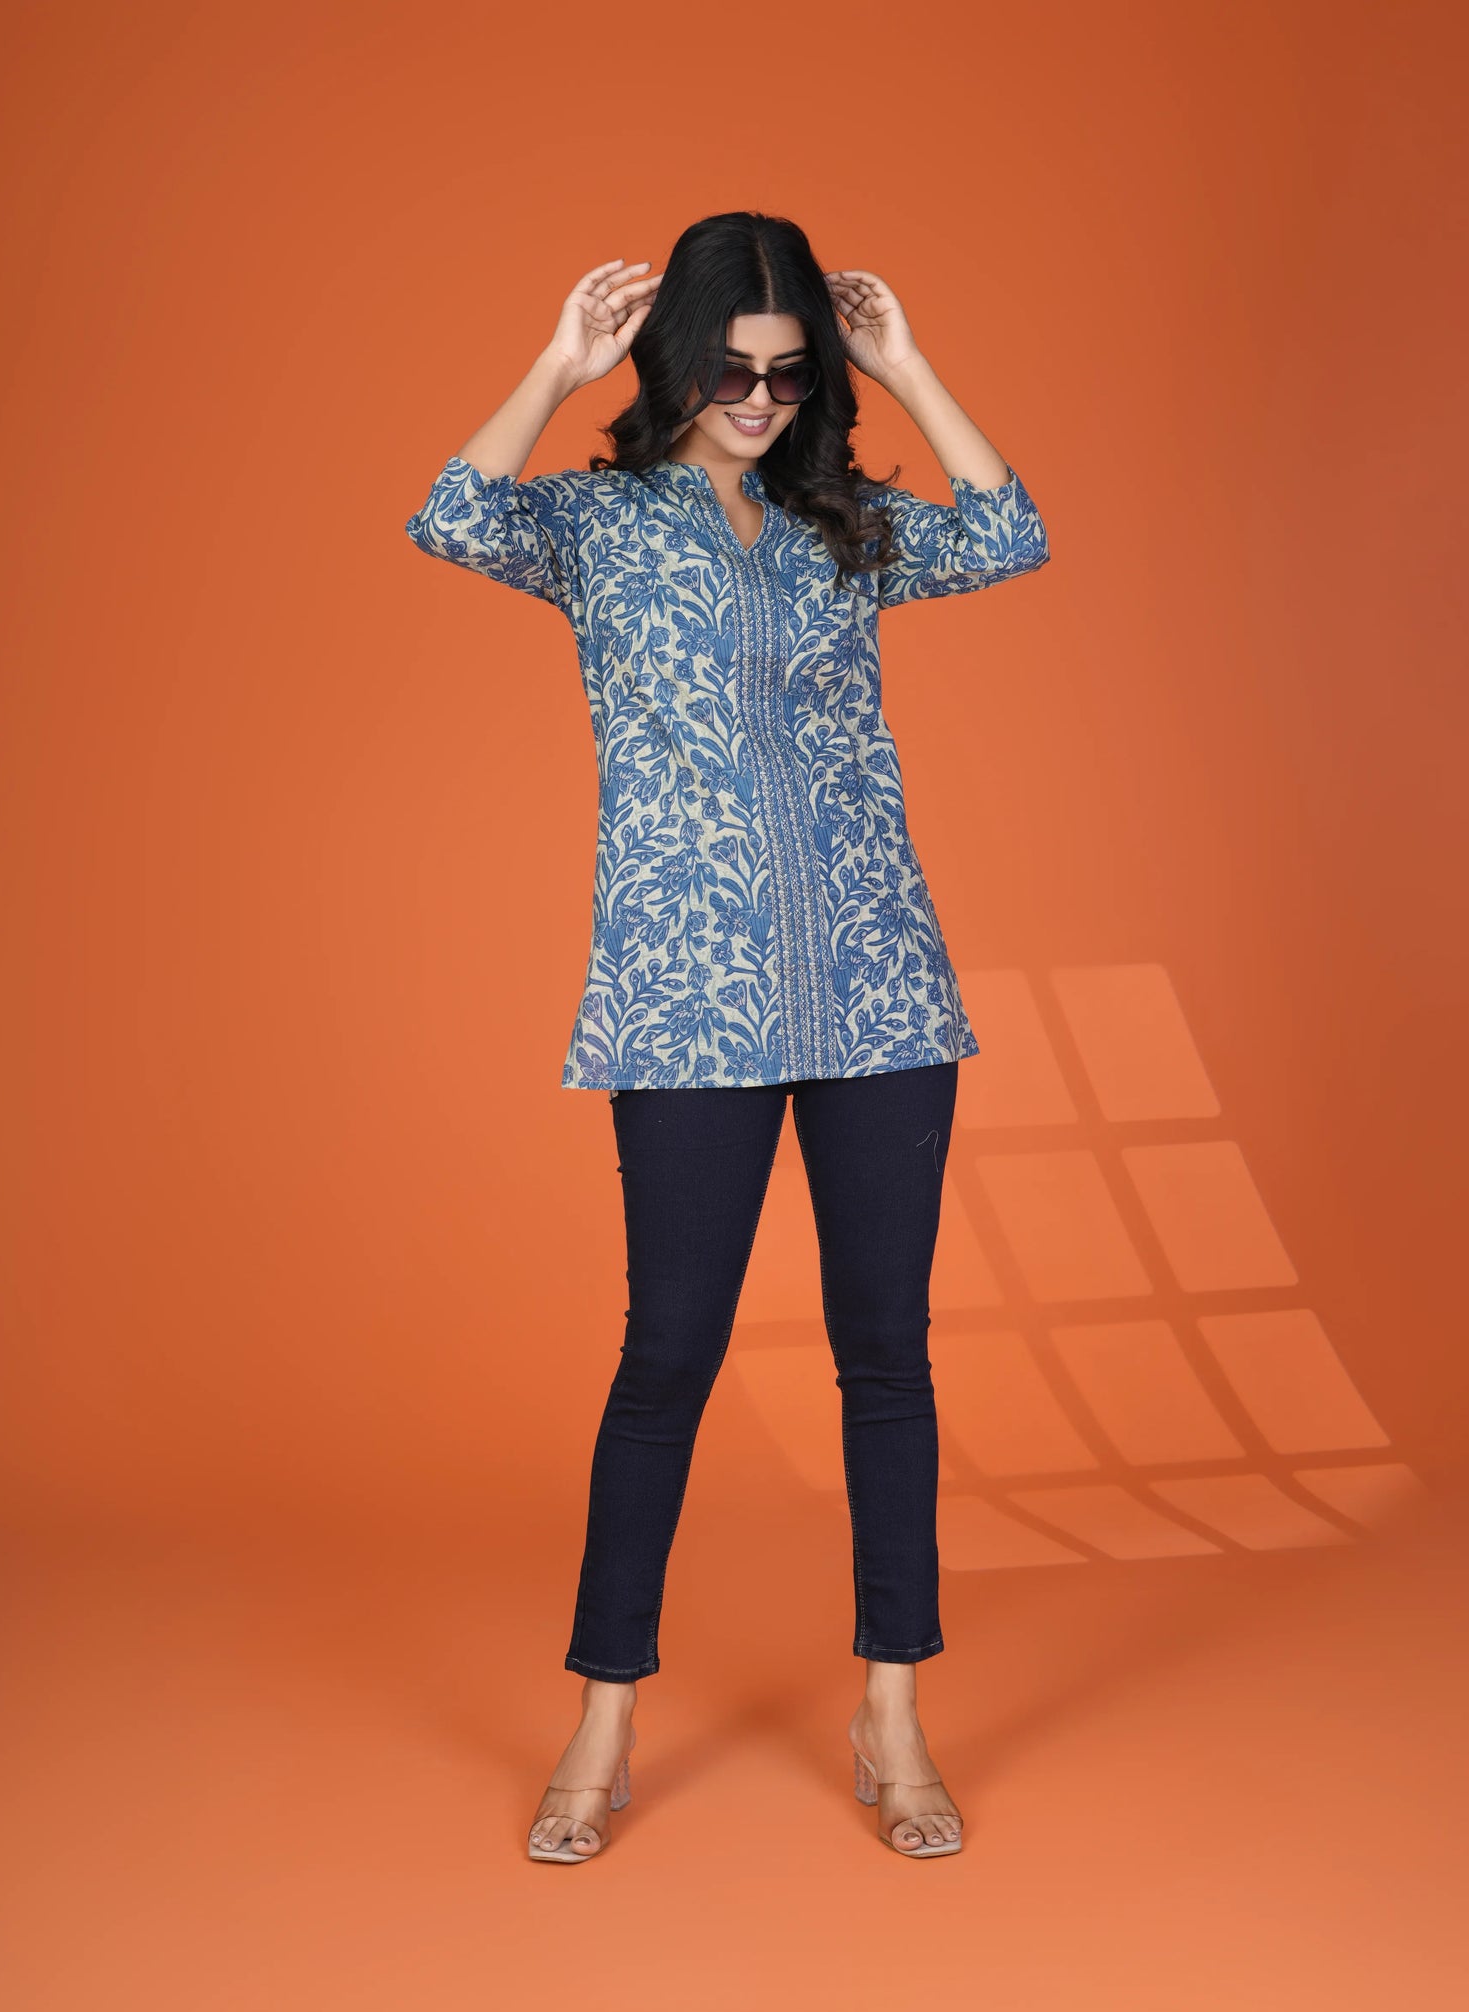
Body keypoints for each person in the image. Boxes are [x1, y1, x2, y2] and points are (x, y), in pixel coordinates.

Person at [404, 210, 1051, 1862]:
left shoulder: (849, 526)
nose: (760, 399)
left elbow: (1014, 533)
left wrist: (908, 364)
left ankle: (892, 1712)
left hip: (878, 986)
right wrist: (556, 366)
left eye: (790, 372)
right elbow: (450, 515)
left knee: (886, 1354)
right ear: (674, 360)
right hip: (685, 999)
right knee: (669, 1354)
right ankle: (603, 1717)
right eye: (731, 369)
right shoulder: (595, 525)